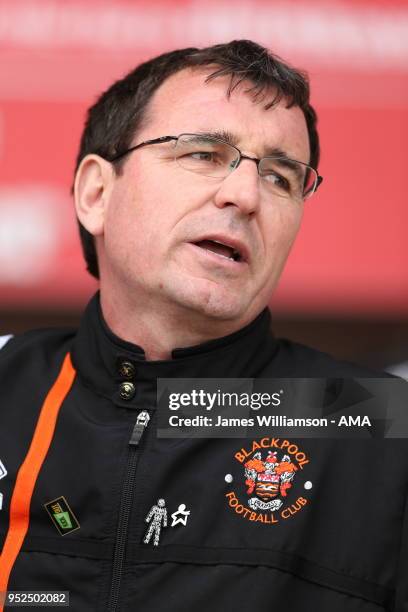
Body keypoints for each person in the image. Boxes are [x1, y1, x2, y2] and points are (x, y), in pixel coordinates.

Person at [0, 40, 406, 612]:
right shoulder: (7, 383)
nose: (244, 195)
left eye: (281, 178)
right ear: (96, 193)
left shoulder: (385, 426)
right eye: (202, 154)